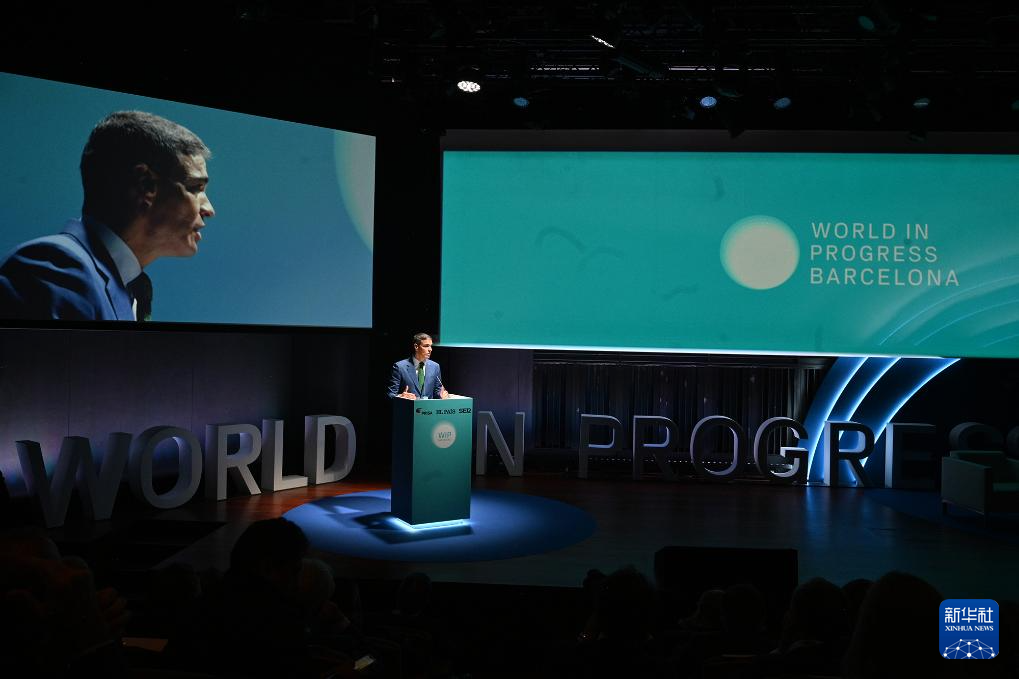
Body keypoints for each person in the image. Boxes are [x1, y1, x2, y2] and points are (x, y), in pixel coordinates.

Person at [0, 110, 215, 321]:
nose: (209, 210)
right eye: (195, 188)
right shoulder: (55, 271)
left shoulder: (125, 286)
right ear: (146, 184)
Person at [387, 332, 449, 400]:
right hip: (409, 406)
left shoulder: (435, 366)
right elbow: (391, 394)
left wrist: (441, 395)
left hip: (428, 407)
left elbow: (437, 392)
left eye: (430, 346)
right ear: (416, 346)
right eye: (426, 346)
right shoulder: (400, 367)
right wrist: (401, 396)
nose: (430, 349)